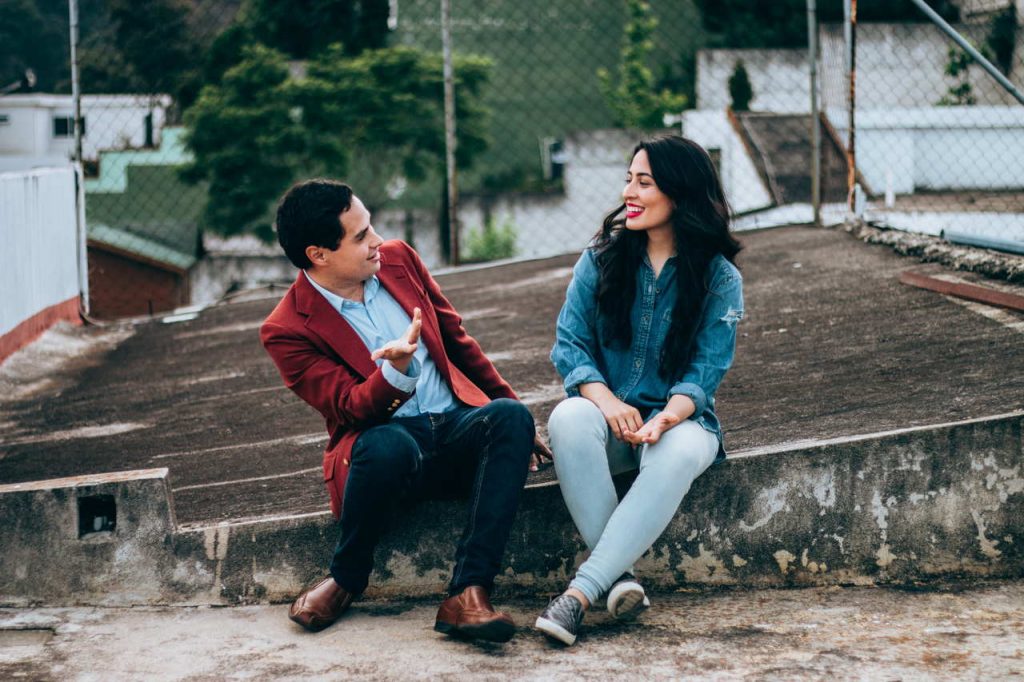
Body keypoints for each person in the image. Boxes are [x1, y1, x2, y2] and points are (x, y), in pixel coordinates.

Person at [261, 179, 551, 642]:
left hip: (456, 432)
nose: (377, 241)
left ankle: (468, 593)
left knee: (510, 418)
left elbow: (458, 343)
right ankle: (346, 578)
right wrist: (396, 372)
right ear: (319, 254)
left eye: (371, 226)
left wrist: (516, 410)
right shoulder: (287, 329)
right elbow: (351, 409)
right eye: (360, 236)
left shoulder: (398, 260)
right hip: (389, 458)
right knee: (386, 444)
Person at [535, 136, 744, 646]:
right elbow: (570, 344)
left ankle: (579, 595)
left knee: (677, 454)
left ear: (680, 193)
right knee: (568, 417)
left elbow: (706, 368)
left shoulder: (720, 277)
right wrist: (606, 404)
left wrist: (668, 417)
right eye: (629, 178)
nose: (629, 191)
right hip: (608, 423)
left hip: (683, 422)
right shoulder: (601, 258)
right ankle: (620, 579)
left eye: (643, 182)